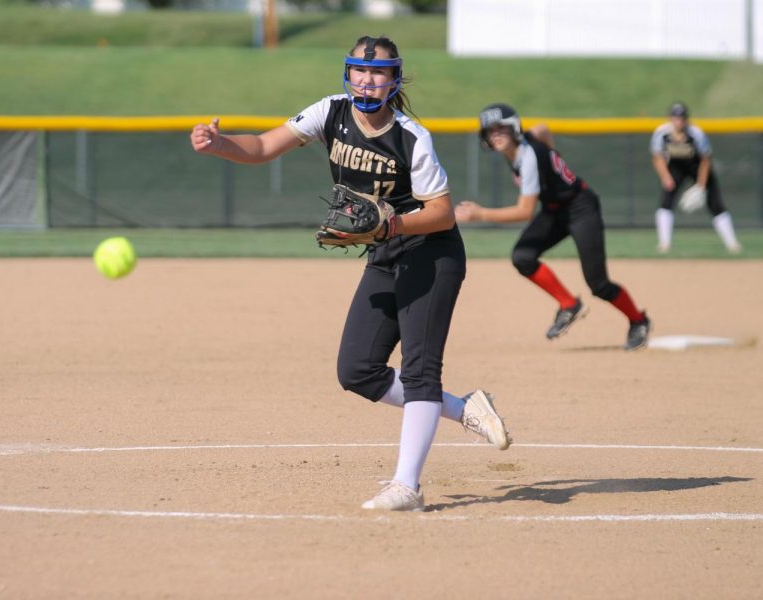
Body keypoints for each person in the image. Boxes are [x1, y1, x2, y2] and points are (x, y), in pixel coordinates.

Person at [190, 36, 511, 512]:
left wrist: (391, 223)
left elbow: (442, 213)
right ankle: (466, 409)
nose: (367, 78)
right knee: (357, 370)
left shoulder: (411, 136)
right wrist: (220, 145)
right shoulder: (331, 113)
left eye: (378, 71)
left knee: (422, 369)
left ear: (395, 78)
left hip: (431, 251)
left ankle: (407, 486)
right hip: (385, 252)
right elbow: (261, 147)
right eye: (359, 69)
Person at [455, 103, 651, 351]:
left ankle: (639, 321)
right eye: (490, 130)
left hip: (581, 207)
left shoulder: (528, 158)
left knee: (598, 284)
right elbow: (543, 129)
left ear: (514, 129)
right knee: (523, 257)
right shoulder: (523, 144)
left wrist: (480, 214)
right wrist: (551, 154)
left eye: (501, 129)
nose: (496, 134)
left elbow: (524, 212)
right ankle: (569, 304)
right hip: (554, 209)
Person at [650, 102, 742, 254]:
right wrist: (665, 177)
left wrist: (700, 185)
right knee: (665, 202)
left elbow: (706, 159)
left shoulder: (695, 133)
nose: (678, 121)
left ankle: (732, 244)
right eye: (675, 117)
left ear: (686, 119)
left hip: (697, 167)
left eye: (681, 117)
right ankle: (664, 244)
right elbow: (657, 157)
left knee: (715, 204)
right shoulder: (662, 133)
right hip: (675, 168)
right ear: (670, 118)